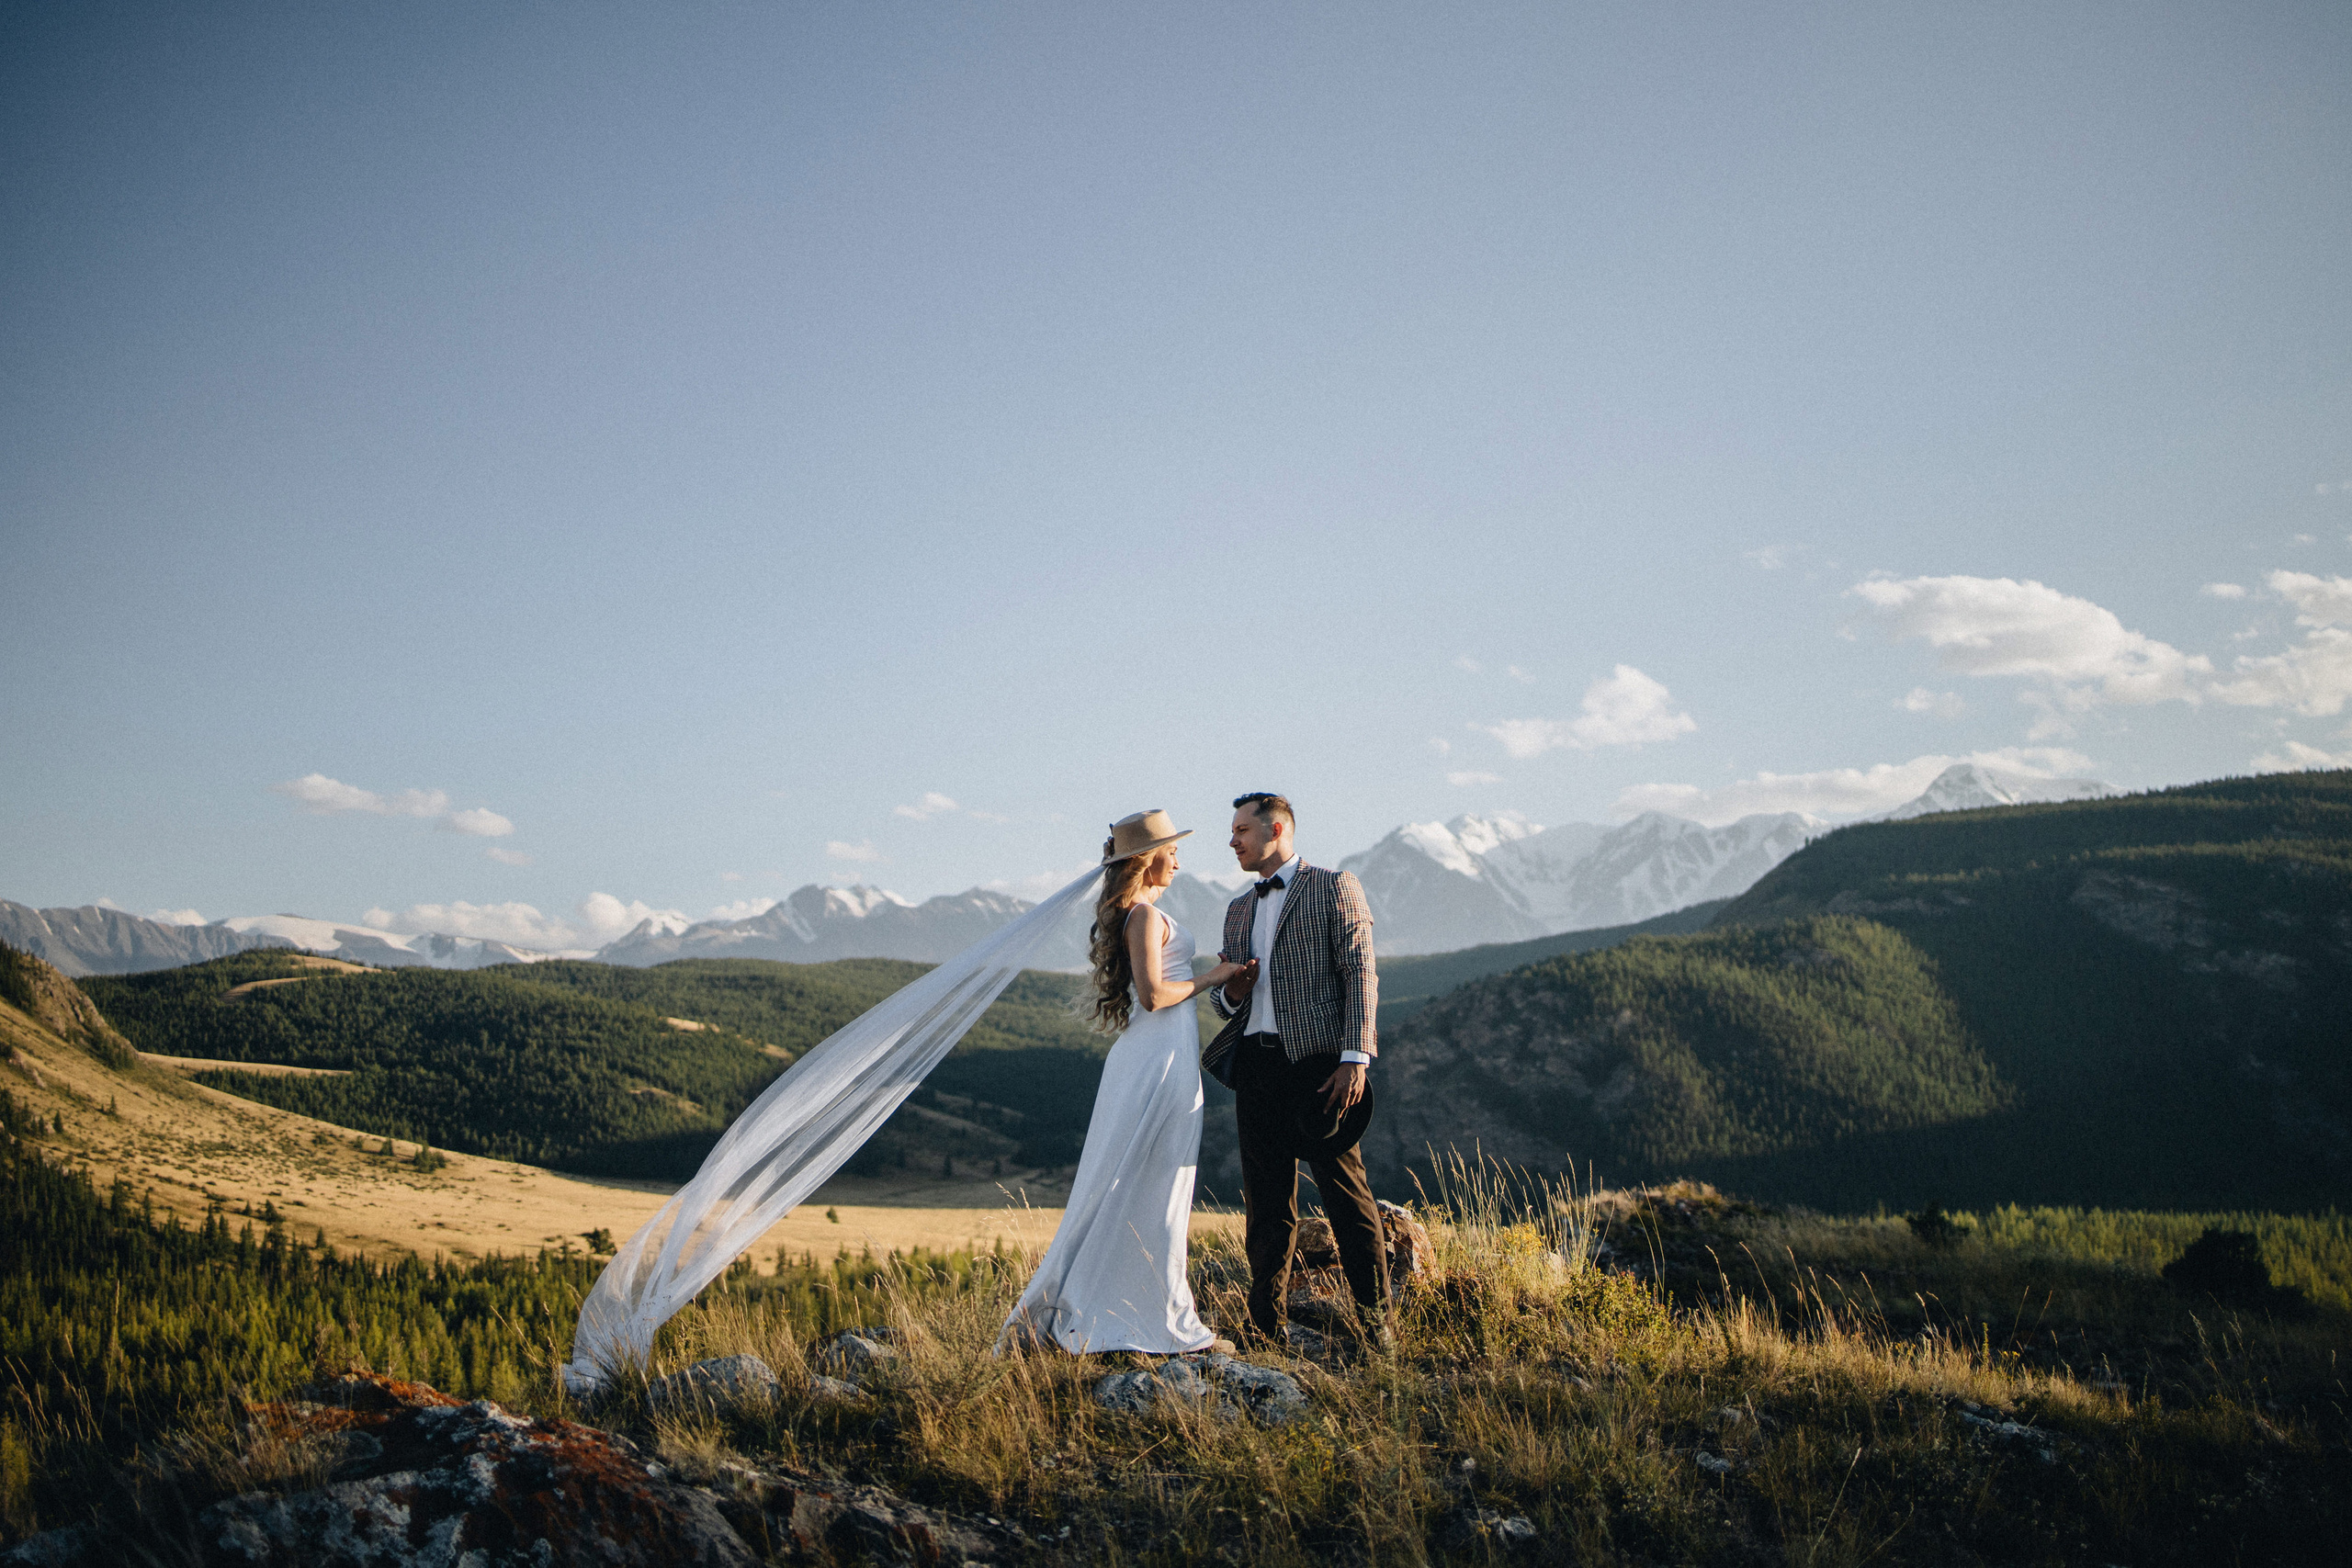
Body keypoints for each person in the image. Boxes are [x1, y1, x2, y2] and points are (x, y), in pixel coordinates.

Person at [1000, 809, 1244, 1354]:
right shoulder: (1144, 918)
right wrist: (1214, 976)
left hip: (1161, 1057)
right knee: (1148, 1186)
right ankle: (1147, 1314)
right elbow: (1155, 996)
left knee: (1148, 1185)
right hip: (1155, 1061)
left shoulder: (1143, 914)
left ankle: (1137, 1304)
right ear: (1145, 858)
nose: (1179, 860)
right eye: (1172, 850)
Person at [1206, 791, 1390, 1348]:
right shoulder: (1238, 908)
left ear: (1277, 829)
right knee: (1265, 1203)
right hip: (1256, 1068)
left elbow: (1361, 972)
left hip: (1318, 1067)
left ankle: (1377, 1326)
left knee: (1345, 1196)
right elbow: (1223, 1000)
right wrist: (1233, 994)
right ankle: (1266, 1329)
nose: (1232, 840)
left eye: (1242, 830)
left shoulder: (1335, 886)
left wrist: (1354, 1058)